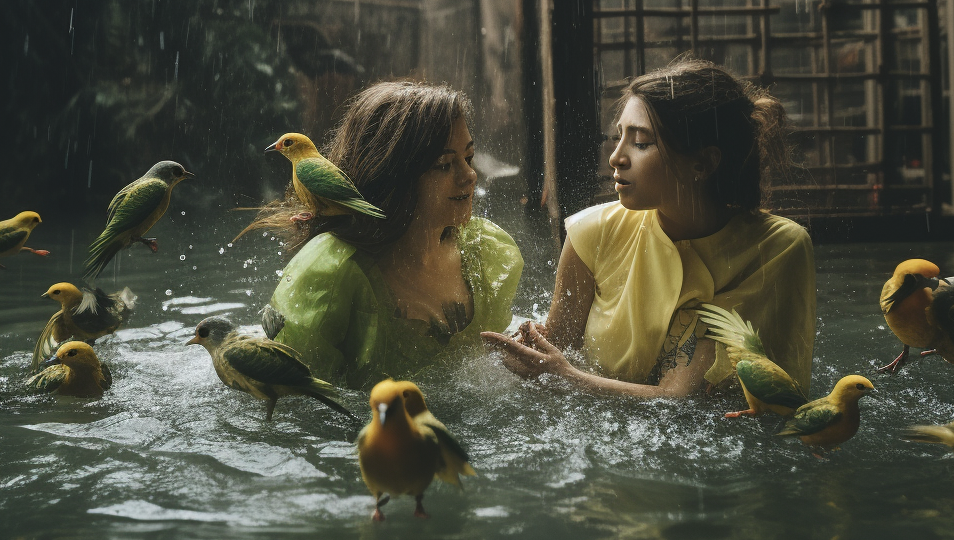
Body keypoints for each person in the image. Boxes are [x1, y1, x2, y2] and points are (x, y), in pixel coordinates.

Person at [483, 55, 815, 399]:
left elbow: (681, 400)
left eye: (641, 143)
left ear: (702, 162)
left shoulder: (776, 248)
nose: (616, 157)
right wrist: (524, 355)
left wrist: (567, 376)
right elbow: (552, 356)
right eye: (618, 137)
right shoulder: (591, 233)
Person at [266, 81, 523, 387]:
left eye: (468, 158)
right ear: (393, 176)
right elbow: (288, 400)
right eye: (444, 165)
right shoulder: (331, 276)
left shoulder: (483, 252)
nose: (469, 176)